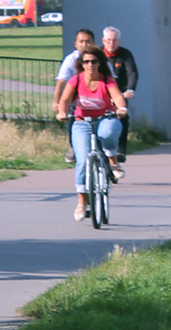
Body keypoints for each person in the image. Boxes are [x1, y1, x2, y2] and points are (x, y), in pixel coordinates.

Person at [56, 46, 127, 222]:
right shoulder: (76, 80)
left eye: (94, 61)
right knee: (81, 161)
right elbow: (64, 100)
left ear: (99, 63)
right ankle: (82, 202)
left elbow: (117, 96)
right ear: (82, 64)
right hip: (82, 122)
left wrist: (121, 108)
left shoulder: (106, 80)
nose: (90, 65)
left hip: (105, 118)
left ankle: (112, 161)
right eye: (86, 61)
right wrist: (62, 113)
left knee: (108, 132)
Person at [52, 28, 95, 164]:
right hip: (75, 99)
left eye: (88, 42)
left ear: (93, 43)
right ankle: (73, 146)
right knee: (71, 122)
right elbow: (61, 81)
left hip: (95, 98)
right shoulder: (71, 59)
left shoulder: (99, 59)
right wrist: (56, 102)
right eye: (81, 41)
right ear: (76, 44)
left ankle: (109, 159)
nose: (84, 45)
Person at [102, 26, 138, 164]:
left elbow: (132, 73)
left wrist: (130, 90)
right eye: (109, 40)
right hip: (101, 93)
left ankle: (121, 150)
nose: (111, 43)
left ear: (119, 41)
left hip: (119, 93)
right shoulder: (98, 54)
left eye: (115, 40)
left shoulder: (125, 54)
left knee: (122, 116)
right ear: (104, 40)